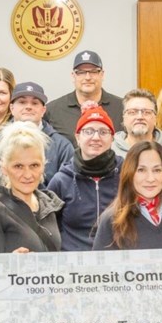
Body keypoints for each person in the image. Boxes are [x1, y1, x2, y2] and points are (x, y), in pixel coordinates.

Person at [0, 122, 64, 253]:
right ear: (4, 168)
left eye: (34, 165)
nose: (27, 175)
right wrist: (11, 265)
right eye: (18, 166)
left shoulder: (48, 205)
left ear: (44, 166)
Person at [92, 140, 162, 250]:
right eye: (141, 170)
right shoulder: (111, 220)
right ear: (129, 174)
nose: (150, 178)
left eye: (157, 170)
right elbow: (99, 266)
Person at [47, 105, 122, 251]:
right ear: (77, 137)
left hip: (117, 265)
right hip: (74, 267)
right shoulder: (61, 180)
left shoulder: (127, 175)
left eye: (103, 132)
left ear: (112, 138)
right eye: (88, 131)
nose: (96, 137)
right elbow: (48, 229)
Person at [44, 50, 124, 147]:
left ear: (102, 74)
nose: (87, 77)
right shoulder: (53, 110)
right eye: (81, 72)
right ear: (73, 76)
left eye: (94, 71)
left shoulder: (122, 108)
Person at [8, 81, 74, 184]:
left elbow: (67, 187)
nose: (28, 107)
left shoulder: (62, 147)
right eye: (22, 102)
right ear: (12, 108)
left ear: (43, 110)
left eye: (35, 103)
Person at [111, 88, 162, 165]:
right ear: (124, 118)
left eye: (146, 112)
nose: (140, 117)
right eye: (133, 112)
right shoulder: (110, 150)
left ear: (155, 119)